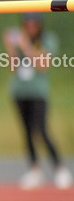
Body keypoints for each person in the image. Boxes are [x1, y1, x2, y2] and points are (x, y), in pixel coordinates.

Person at [4, 14, 71, 189]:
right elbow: (12, 68)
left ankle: (59, 168)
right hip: (20, 92)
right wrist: (10, 47)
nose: (30, 27)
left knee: (41, 130)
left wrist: (25, 46)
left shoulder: (48, 40)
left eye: (34, 24)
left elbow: (43, 65)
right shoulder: (20, 39)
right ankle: (34, 169)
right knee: (26, 132)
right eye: (27, 24)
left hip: (38, 93)